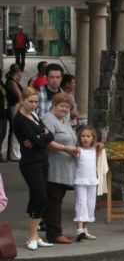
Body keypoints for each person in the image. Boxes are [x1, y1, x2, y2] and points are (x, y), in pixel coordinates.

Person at [13, 87, 55, 250]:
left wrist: (39, 136)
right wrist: (39, 136)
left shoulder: (34, 115)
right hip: (30, 162)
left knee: (39, 196)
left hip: (42, 159)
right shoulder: (20, 119)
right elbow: (37, 141)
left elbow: (49, 135)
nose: (33, 105)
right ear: (22, 100)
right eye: (30, 101)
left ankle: (35, 235)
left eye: (36, 102)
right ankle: (30, 234)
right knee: (40, 196)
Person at [42, 92, 81, 244]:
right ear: (54, 105)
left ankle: (55, 230)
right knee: (54, 201)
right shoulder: (48, 119)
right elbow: (48, 142)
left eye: (68, 107)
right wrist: (66, 149)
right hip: (54, 167)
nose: (65, 109)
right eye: (62, 106)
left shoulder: (64, 120)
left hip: (65, 167)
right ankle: (54, 233)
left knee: (57, 200)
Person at [73, 127, 100, 241]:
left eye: (88, 136)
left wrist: (100, 148)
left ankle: (85, 229)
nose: (85, 138)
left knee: (90, 204)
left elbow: (98, 159)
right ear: (79, 137)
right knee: (81, 202)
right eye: (83, 136)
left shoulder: (94, 150)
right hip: (80, 180)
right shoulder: (78, 150)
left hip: (92, 180)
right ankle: (79, 229)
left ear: (93, 138)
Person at [5, 64, 23, 161]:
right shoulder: (12, 83)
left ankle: (15, 153)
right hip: (15, 107)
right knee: (16, 131)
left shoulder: (13, 82)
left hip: (14, 107)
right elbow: (20, 96)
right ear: (17, 72)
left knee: (15, 130)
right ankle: (14, 154)